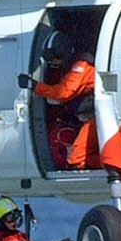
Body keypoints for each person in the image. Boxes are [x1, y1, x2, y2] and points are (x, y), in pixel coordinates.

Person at [19, 30, 98, 169]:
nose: (54, 63)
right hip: (91, 116)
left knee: (77, 160)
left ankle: (115, 168)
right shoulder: (73, 66)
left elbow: (63, 93)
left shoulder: (81, 66)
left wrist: (33, 86)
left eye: (54, 59)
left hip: (96, 116)